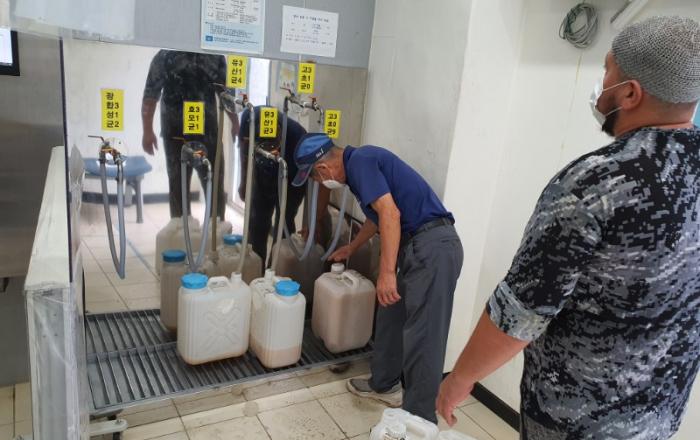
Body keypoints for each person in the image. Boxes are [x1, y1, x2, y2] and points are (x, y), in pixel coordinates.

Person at [437, 16, 700, 440]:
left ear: (630, 93)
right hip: (659, 417)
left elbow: (523, 309)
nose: (601, 83)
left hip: (577, 422)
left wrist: (460, 378)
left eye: (607, 70)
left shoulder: (599, 181)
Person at [291, 134, 464, 423]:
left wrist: (386, 273)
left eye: (316, 178)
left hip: (433, 248)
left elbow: (390, 214)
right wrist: (353, 246)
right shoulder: (359, 168)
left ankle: (418, 421)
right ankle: (384, 384)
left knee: (424, 337)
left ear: (323, 169)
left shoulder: (361, 160)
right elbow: (376, 217)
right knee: (390, 312)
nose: (321, 183)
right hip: (416, 248)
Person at [142, 49, 239, 220]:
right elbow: (150, 96)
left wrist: (235, 122)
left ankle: (215, 230)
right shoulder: (165, 55)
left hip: (207, 133)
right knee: (178, 187)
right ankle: (181, 230)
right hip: (176, 135)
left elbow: (225, 94)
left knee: (214, 185)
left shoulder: (214, 55)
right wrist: (147, 131)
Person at [238, 107, 308, 266]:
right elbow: (244, 151)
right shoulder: (249, 117)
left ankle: (276, 268)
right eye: (263, 147)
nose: (270, 151)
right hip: (263, 173)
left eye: (272, 146)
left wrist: (313, 220)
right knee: (257, 222)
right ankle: (256, 267)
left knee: (284, 224)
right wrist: (244, 182)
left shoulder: (298, 137)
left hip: (292, 178)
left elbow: (312, 176)